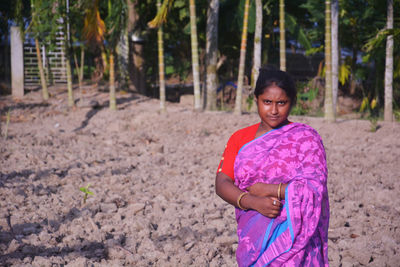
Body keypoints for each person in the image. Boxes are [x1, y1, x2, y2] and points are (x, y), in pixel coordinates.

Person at [215, 67, 329, 266]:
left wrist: (270, 190)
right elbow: (222, 182)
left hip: (298, 238)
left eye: (281, 103)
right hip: (254, 235)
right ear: (256, 100)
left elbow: (314, 188)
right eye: (267, 102)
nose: (274, 110)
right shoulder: (240, 138)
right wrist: (251, 201)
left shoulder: (305, 139)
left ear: (291, 102)